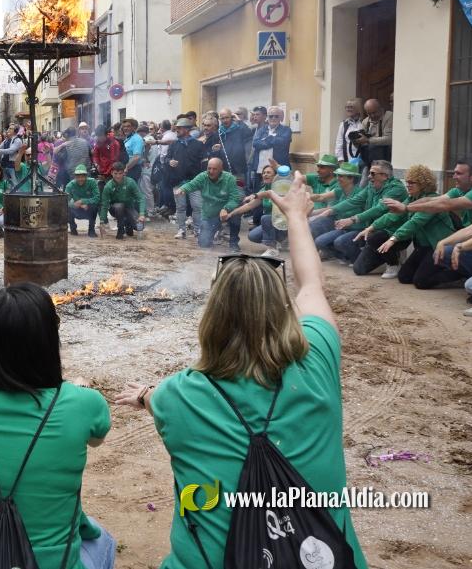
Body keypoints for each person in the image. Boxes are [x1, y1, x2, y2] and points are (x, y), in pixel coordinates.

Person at [116, 173, 367, 569]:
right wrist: (298, 217)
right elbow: (312, 285)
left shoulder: (177, 394)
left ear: (211, 316)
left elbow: (157, 398)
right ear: (283, 310)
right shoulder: (318, 358)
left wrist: (145, 395)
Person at [0, 283, 114, 569]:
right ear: (47, 340)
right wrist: (76, 391)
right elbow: (95, 439)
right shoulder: (85, 403)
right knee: (102, 540)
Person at [349, 165, 453, 279]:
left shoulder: (431, 199)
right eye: (407, 182)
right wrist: (371, 227)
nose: (408, 185)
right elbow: (392, 215)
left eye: (412, 182)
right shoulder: (411, 198)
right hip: (422, 246)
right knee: (404, 277)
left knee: (421, 281)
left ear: (423, 184)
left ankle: (455, 274)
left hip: (436, 245)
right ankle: (394, 261)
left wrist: (393, 239)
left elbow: (415, 222)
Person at [313, 160, 407, 264]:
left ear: (384, 176)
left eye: (372, 174)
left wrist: (353, 219)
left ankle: (390, 260)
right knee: (321, 237)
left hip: (383, 230)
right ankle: (350, 258)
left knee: (343, 243)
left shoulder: (396, 188)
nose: (369, 177)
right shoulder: (370, 186)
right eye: (338, 175)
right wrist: (331, 210)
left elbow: (379, 209)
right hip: (367, 228)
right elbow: (354, 201)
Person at [384, 157, 472, 228]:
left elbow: (443, 205)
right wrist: (404, 206)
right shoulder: (460, 189)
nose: (454, 177)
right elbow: (433, 200)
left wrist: (406, 208)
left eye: (458, 173)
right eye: (407, 182)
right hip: (469, 235)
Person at [174, 157, 243, 251]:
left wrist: (226, 209)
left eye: (214, 169)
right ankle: (217, 230)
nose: (211, 171)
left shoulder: (229, 178)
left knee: (237, 213)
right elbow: (192, 184)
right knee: (204, 243)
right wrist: (183, 189)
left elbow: (235, 199)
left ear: (221, 169)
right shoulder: (203, 176)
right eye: (209, 168)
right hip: (210, 214)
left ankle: (234, 242)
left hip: (227, 212)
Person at [228, 165, 282, 257]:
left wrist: (255, 195)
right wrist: (231, 213)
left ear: (275, 176)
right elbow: (249, 205)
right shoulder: (263, 189)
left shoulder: (280, 187)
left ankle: (272, 249)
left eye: (268, 173)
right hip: (272, 223)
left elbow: (267, 194)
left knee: (265, 218)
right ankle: (278, 241)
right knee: (252, 236)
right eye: (264, 173)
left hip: (284, 223)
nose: (265, 175)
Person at [99, 162, 146, 240]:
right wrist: (102, 221)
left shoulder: (130, 182)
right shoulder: (108, 186)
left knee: (139, 227)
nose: (118, 176)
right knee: (119, 206)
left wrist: (142, 214)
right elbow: (104, 204)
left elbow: (140, 198)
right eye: (115, 173)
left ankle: (128, 224)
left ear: (124, 172)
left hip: (129, 208)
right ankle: (120, 229)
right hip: (115, 209)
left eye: (120, 173)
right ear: (111, 173)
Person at [351, 98, 392, 166]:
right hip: (369, 161)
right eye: (369, 114)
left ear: (381, 109)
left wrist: (368, 140)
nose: (372, 116)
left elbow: (389, 139)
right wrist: (356, 141)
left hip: (386, 161)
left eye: (374, 112)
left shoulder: (389, 117)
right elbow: (361, 144)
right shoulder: (365, 122)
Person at [214, 108, 251, 181]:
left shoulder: (239, 128)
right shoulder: (218, 133)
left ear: (232, 117)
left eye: (227, 117)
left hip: (238, 170)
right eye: (222, 118)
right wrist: (215, 149)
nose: (225, 120)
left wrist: (239, 121)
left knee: (238, 191)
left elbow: (248, 134)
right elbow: (214, 153)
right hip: (223, 170)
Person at [65, 164, 100, 238]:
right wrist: (76, 205)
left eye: (82, 176)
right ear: (75, 177)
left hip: (88, 209)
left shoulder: (93, 182)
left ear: (86, 176)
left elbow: (97, 198)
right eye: (78, 177)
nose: (80, 179)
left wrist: (82, 201)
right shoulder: (70, 186)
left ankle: (91, 229)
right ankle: (73, 227)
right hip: (76, 209)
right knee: (66, 208)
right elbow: (64, 201)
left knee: (95, 206)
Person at [334, 98, 364, 164]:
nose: (348, 109)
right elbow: (339, 143)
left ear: (358, 109)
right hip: (347, 161)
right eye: (347, 107)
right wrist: (340, 159)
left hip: (363, 160)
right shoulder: (344, 124)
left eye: (351, 107)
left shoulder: (364, 122)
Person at [121, 118, 144, 182]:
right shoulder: (128, 138)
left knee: (129, 190)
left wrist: (126, 168)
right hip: (127, 168)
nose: (125, 128)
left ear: (134, 127)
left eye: (128, 126)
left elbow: (136, 157)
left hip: (132, 168)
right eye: (124, 126)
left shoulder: (137, 139)